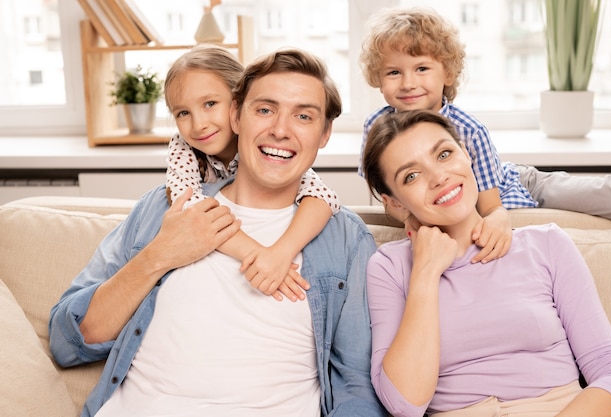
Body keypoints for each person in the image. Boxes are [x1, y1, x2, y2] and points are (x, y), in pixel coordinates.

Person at [49, 48, 387, 417]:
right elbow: (67, 343)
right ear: (237, 115)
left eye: (303, 116)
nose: (280, 129)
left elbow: (359, 386)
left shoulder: (345, 239)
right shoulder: (162, 207)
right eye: (264, 109)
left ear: (324, 134)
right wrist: (159, 255)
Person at [362, 109, 611, 417]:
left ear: (467, 155)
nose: (438, 177)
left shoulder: (547, 244)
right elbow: (405, 404)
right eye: (411, 175)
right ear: (394, 201)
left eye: (444, 154)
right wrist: (426, 270)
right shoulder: (388, 267)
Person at [358, 6, 611, 248]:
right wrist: (409, 218)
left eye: (422, 69)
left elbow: (491, 207)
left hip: (513, 183)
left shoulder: (470, 130)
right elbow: (388, 196)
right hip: (482, 185)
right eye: (394, 72)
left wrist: (498, 218)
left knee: (604, 194)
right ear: (378, 81)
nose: (408, 83)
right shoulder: (376, 129)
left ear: (448, 73)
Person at [163, 44, 340, 301]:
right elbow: (187, 205)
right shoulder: (183, 146)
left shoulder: (268, 148)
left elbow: (323, 196)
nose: (199, 124)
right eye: (183, 113)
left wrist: (281, 252)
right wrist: (259, 256)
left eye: (210, 104)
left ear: (237, 105)